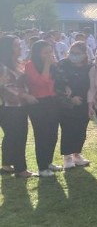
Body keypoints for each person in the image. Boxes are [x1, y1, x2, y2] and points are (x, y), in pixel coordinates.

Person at [24, 40, 64, 176]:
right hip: (38, 103)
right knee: (42, 135)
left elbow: (58, 80)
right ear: (37, 53)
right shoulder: (30, 65)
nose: (49, 55)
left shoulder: (53, 65)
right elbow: (42, 82)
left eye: (50, 52)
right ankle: (42, 167)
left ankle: (48, 162)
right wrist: (47, 64)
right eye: (45, 53)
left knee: (53, 134)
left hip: (53, 101)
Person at [0, 36, 36, 177]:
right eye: (16, 46)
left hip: (19, 106)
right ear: (8, 49)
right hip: (9, 107)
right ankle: (21, 169)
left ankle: (7, 164)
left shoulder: (18, 63)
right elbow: (7, 87)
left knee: (11, 136)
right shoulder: (2, 67)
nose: (20, 48)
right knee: (18, 136)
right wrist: (26, 96)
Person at [55, 41, 93, 169]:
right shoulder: (62, 65)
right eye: (72, 52)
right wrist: (70, 98)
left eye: (77, 53)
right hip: (67, 104)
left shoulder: (88, 67)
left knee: (81, 129)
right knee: (68, 129)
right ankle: (67, 157)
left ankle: (77, 154)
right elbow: (57, 84)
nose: (74, 55)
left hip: (83, 103)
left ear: (84, 54)